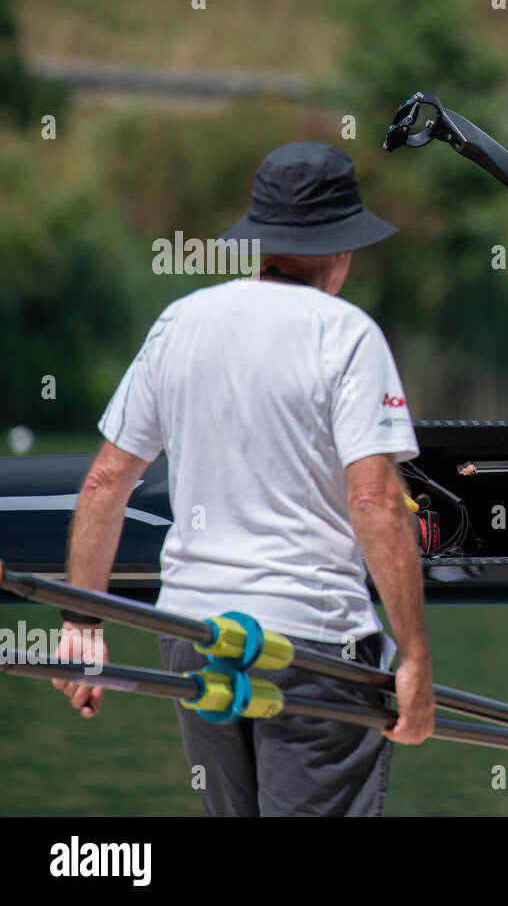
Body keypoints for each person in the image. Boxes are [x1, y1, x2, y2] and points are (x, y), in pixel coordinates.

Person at [53, 142, 435, 816]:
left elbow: (105, 482)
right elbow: (374, 499)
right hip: (313, 646)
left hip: (192, 632)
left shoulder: (180, 322)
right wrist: (414, 660)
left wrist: (84, 620)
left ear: (260, 241)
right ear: (342, 249)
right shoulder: (347, 335)